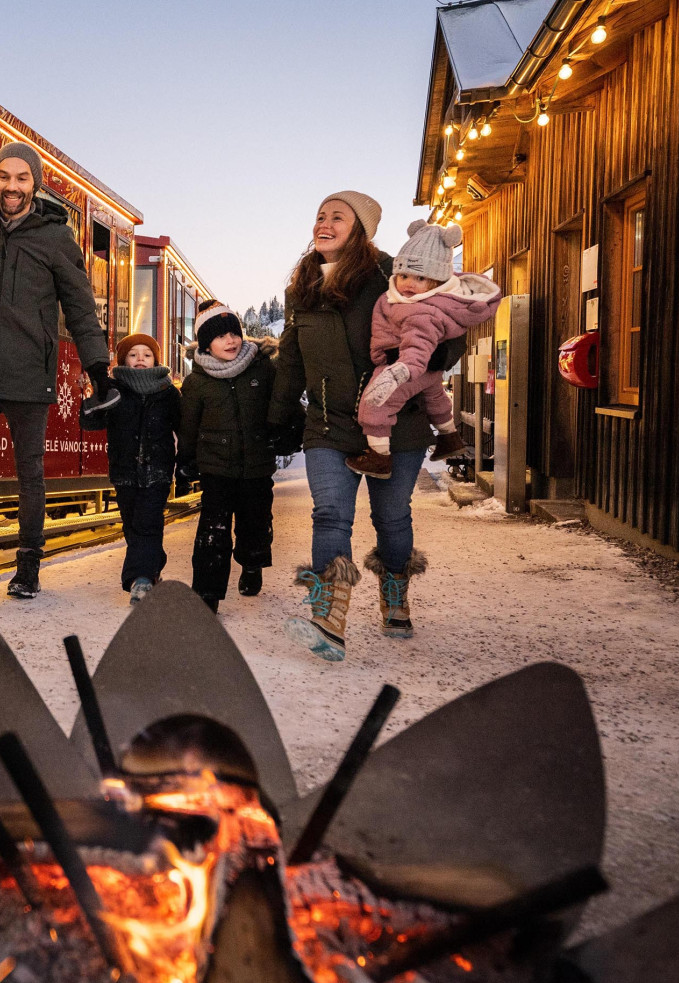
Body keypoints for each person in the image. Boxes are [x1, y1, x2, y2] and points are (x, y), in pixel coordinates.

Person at [268, 191, 452, 661]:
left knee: (391, 519)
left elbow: (443, 321)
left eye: (337, 217)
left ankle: (395, 594)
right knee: (330, 515)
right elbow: (291, 359)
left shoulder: (391, 275)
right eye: (319, 215)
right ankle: (328, 618)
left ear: (361, 229)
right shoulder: (302, 287)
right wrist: (278, 418)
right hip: (328, 425)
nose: (323, 223)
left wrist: (431, 357)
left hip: (397, 424)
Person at [0, 141, 113, 598]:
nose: (12, 187)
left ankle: (29, 564)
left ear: (34, 182)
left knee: (29, 472)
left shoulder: (55, 237)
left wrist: (98, 367)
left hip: (29, 373)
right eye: (4, 177)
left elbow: (79, 308)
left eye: (21, 178)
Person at [348, 220, 499, 480]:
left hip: (407, 365)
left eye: (419, 278)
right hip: (426, 371)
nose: (408, 283)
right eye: (404, 275)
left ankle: (379, 457)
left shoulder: (419, 311)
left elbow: (418, 346)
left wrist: (401, 370)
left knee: (376, 402)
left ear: (437, 280)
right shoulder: (422, 301)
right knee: (435, 397)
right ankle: (450, 437)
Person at [178, 304, 277, 610]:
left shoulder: (263, 369)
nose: (231, 340)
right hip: (216, 467)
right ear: (207, 344)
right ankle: (207, 593)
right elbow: (188, 424)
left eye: (234, 332)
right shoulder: (197, 382)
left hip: (257, 466)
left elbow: (279, 407)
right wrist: (186, 459)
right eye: (221, 337)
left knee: (255, 525)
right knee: (213, 531)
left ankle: (251, 563)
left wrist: (285, 432)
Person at [81, 332, 181, 604]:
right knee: (132, 526)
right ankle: (152, 564)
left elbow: (183, 427)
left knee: (147, 523)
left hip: (158, 470)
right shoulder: (113, 391)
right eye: (133, 354)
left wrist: (188, 462)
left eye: (147, 355)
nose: (140, 359)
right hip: (124, 471)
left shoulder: (168, 392)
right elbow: (91, 423)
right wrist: (92, 398)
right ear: (123, 359)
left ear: (155, 360)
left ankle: (140, 580)